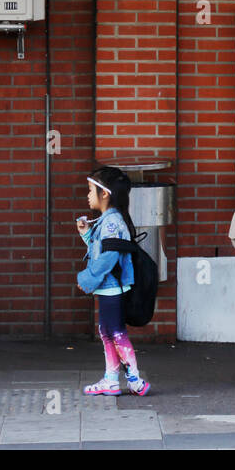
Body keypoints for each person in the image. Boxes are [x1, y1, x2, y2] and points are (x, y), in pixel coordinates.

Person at [77, 166, 150, 396]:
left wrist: (86, 279)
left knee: (115, 333)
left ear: (105, 194)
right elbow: (102, 250)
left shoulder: (110, 223)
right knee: (108, 332)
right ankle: (112, 379)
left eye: (91, 190)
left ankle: (134, 379)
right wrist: (88, 234)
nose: (88, 195)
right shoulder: (108, 220)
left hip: (112, 287)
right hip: (110, 287)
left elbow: (108, 258)